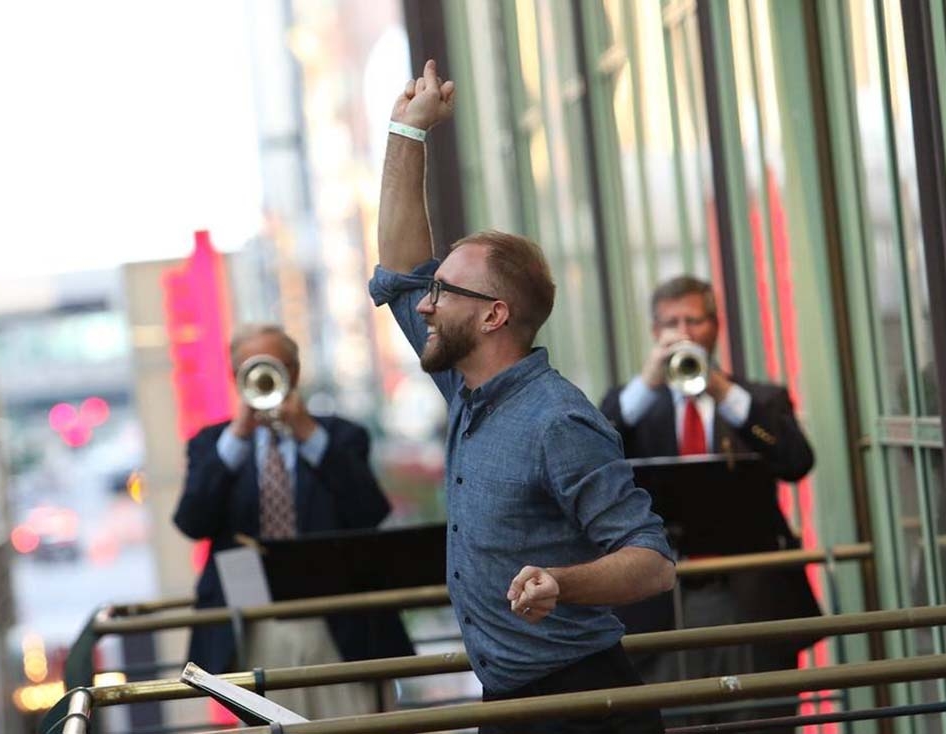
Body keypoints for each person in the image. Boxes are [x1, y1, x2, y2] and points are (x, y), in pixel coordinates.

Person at [370, 60, 675, 734]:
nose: (425, 304)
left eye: (444, 291)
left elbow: (652, 564)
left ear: (493, 315)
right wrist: (406, 131)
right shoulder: (466, 389)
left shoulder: (558, 419)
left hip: (584, 709)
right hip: (511, 705)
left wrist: (563, 582)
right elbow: (396, 273)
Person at [600, 275, 818, 726]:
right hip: (664, 603)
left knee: (763, 718)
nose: (683, 332)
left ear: (715, 327)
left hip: (749, 599)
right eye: (670, 322)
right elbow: (597, 456)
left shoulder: (759, 400)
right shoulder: (632, 406)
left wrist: (721, 390)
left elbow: (795, 461)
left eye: (693, 321)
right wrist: (647, 380)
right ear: (654, 331)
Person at [172, 324, 413, 718]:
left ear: (295, 372)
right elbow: (191, 522)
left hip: (340, 622)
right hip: (256, 621)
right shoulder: (212, 444)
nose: (262, 378)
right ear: (235, 379)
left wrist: (306, 432)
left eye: (274, 366)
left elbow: (369, 510)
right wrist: (237, 437)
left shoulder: (341, 435)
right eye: (249, 370)